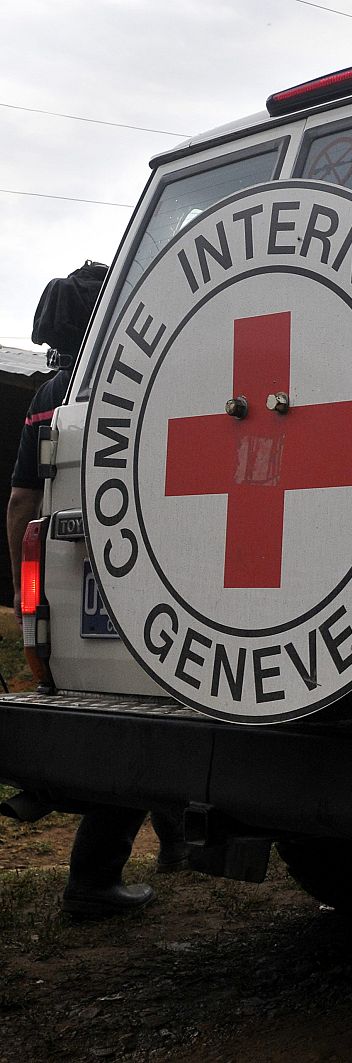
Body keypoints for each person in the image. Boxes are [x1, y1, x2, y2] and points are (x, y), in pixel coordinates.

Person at [4, 264, 188, 919]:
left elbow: (22, 502)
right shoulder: (152, 378)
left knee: (128, 708)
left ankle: (170, 845)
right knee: (164, 700)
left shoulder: (51, 395)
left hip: (79, 574)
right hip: (155, 571)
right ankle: (99, 876)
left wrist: (26, 596)